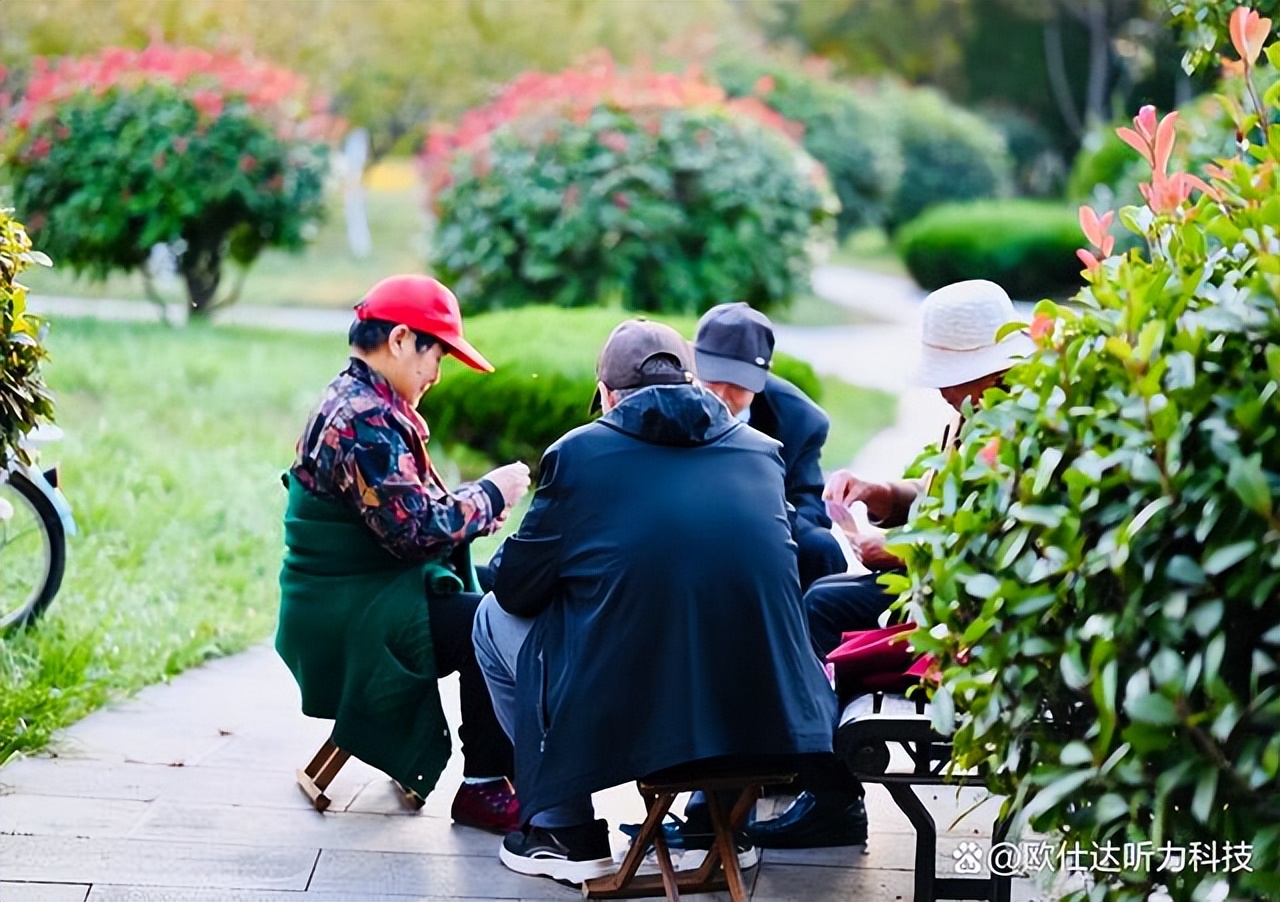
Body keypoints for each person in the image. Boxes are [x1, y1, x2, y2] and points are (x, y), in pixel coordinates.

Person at [471, 319, 839, 885]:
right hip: (771, 721)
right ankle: (715, 826)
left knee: (491, 619)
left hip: (636, 724)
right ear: (693, 382)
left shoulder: (580, 454)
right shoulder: (763, 454)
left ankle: (562, 830)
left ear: (609, 395)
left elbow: (517, 587)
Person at [746, 278, 1036, 849]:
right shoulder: (976, 407)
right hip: (938, 585)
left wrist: (901, 552)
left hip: (971, 607)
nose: (941, 392)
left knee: (821, 604)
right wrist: (881, 492)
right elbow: (938, 499)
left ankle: (831, 796)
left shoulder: (1019, 425)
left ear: (992, 367)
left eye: (951, 377)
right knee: (822, 598)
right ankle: (822, 781)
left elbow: (998, 543)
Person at [276, 274, 532, 834]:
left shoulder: (361, 399)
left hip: (358, 593)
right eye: (434, 357)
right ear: (398, 340)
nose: (436, 377)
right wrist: (491, 493)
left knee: (502, 591)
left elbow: (410, 519)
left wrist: (478, 500)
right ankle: (484, 786)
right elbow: (414, 533)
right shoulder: (364, 418)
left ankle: (505, 773)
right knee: (487, 621)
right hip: (350, 614)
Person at [693, 302, 847, 591]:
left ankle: (805, 635)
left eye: (738, 384)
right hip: (685, 521)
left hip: (765, 527)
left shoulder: (800, 421)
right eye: (713, 379)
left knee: (821, 547)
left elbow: (809, 504)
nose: (722, 395)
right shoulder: (670, 396)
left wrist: (765, 525)